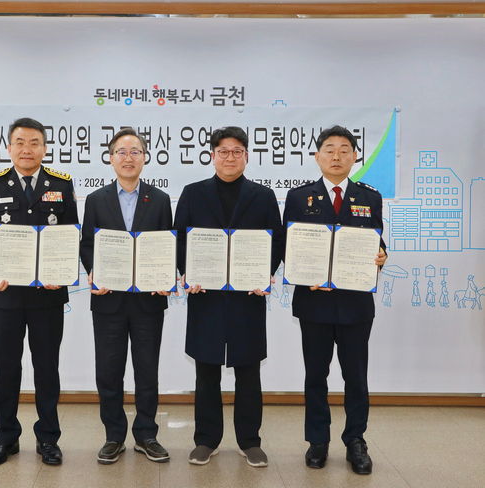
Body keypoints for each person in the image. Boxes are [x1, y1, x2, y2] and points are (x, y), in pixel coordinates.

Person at [174, 126, 284, 467]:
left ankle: (250, 441)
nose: (230, 157)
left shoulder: (263, 196)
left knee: (248, 370)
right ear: (212, 156)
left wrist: (264, 274)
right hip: (205, 294)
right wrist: (187, 272)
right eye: (223, 151)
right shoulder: (193, 193)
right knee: (206, 369)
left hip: (247, 296)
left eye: (237, 151)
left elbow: (276, 241)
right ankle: (206, 440)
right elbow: (180, 238)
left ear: (247, 156)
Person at [0, 117, 78, 467]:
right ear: (9, 148)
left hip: (48, 296)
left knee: (47, 369)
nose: (27, 149)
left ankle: (48, 439)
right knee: (6, 370)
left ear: (45, 148)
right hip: (5, 296)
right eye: (20, 142)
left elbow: (71, 236)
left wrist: (61, 272)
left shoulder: (60, 184)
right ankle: (5, 438)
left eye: (34, 143)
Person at [282, 125, 387, 475]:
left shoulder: (369, 197)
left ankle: (356, 440)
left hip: (356, 304)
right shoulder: (300, 197)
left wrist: (382, 255)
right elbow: (288, 247)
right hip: (314, 304)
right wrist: (303, 273)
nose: (337, 156)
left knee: (356, 377)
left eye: (344, 149)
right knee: (316, 375)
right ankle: (318, 440)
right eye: (329, 149)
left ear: (355, 156)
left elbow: (377, 242)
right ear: (317, 156)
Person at [80, 128, 173, 465]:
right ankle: (114, 436)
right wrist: (94, 271)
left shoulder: (160, 199)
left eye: (135, 151)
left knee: (147, 370)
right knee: (109, 371)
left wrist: (166, 275)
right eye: (122, 151)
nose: (128, 157)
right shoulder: (95, 199)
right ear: (111, 158)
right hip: (109, 299)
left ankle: (146, 435)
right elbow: (87, 244)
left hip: (148, 300)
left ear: (145, 158)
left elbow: (167, 243)